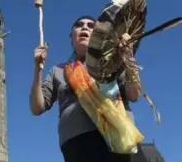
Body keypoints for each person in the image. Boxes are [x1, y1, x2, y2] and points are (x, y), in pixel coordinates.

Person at [29, 15, 142, 162]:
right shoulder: (58, 70)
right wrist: (38, 69)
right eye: (79, 25)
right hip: (76, 144)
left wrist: (128, 58)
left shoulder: (113, 62)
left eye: (90, 26)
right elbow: (36, 107)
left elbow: (134, 95)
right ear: (72, 37)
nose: (85, 27)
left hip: (117, 140)